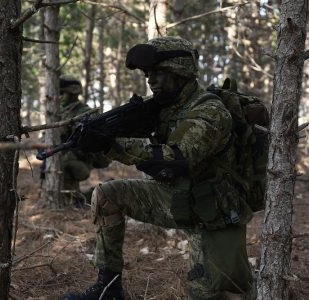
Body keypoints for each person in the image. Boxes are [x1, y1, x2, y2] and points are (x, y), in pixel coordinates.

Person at [63, 37, 255, 300]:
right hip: (176, 199)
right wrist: (99, 131)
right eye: (148, 74)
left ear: (181, 72)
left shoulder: (209, 111)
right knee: (107, 196)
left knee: (216, 294)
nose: (150, 81)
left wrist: (111, 145)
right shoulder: (164, 107)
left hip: (214, 213)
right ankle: (108, 290)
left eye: (158, 73)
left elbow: (173, 159)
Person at [42, 76, 110, 207]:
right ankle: (71, 199)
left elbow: (93, 141)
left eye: (62, 93)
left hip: (81, 159)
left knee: (63, 163)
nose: (59, 97)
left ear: (73, 93)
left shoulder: (85, 112)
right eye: (58, 94)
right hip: (63, 157)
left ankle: (96, 196)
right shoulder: (59, 113)